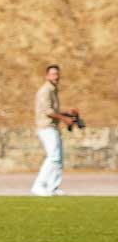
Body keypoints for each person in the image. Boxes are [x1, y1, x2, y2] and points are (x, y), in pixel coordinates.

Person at [30, 64, 80, 197]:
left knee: (59, 158)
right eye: (52, 74)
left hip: (53, 127)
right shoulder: (45, 90)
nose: (55, 77)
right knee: (53, 157)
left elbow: (53, 111)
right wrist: (65, 119)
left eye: (57, 74)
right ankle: (38, 186)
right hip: (46, 127)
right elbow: (48, 111)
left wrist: (67, 113)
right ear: (47, 76)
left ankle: (53, 187)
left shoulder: (53, 90)